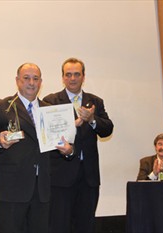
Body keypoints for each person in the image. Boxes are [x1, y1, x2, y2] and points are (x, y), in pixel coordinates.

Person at [0, 63, 73, 233]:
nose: (31, 83)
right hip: (11, 190)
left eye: (35, 79)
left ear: (41, 82)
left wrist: (69, 151)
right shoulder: (2, 106)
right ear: (17, 81)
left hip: (42, 191)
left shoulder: (50, 111)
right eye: (26, 78)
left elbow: (67, 145)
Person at [43, 57, 114, 233]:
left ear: (83, 77)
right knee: (59, 225)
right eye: (68, 75)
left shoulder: (95, 101)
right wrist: (72, 124)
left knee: (86, 225)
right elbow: (48, 134)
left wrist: (92, 119)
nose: (72, 78)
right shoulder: (50, 100)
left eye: (76, 74)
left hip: (88, 177)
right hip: (61, 177)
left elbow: (107, 129)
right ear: (62, 77)